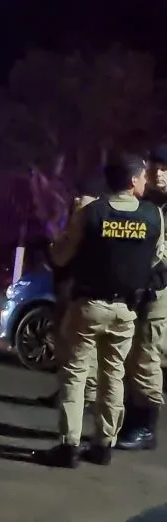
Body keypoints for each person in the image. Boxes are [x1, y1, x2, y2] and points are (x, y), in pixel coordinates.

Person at [44, 154, 165, 468]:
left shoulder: (92, 211)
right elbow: (156, 261)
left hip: (88, 306)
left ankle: (69, 445)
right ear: (131, 181)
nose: (144, 181)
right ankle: (103, 445)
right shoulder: (154, 216)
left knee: (75, 374)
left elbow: (60, 256)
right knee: (114, 375)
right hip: (126, 310)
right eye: (141, 176)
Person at [38, 179, 105, 408]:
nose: (77, 203)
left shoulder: (92, 229)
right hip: (67, 290)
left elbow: (60, 256)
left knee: (80, 349)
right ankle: (71, 392)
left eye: (82, 201)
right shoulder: (76, 226)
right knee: (67, 347)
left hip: (78, 293)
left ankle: (86, 396)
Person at [117, 147, 167, 451]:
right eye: (156, 167)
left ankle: (145, 427)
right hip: (140, 288)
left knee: (147, 354)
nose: (159, 174)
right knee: (134, 354)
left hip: (160, 290)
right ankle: (132, 417)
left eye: (166, 168)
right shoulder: (148, 203)